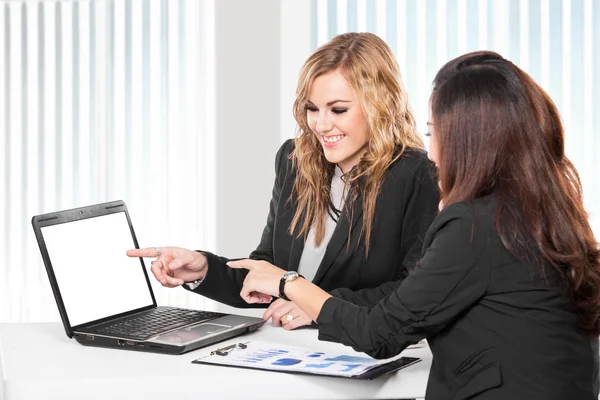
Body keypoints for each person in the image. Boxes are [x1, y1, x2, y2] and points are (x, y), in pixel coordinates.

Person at [229, 50, 600, 399]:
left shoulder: (475, 224)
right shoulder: (540, 211)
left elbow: (381, 333)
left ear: (469, 143)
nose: (434, 152)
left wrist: (287, 283)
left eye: (435, 133)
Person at [127, 32, 439, 329]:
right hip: (290, 349)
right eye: (312, 108)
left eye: (338, 109)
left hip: (363, 353)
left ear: (380, 106)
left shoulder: (415, 174)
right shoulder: (295, 160)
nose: (320, 124)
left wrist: (318, 306)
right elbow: (269, 270)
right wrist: (202, 270)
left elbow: (413, 294)